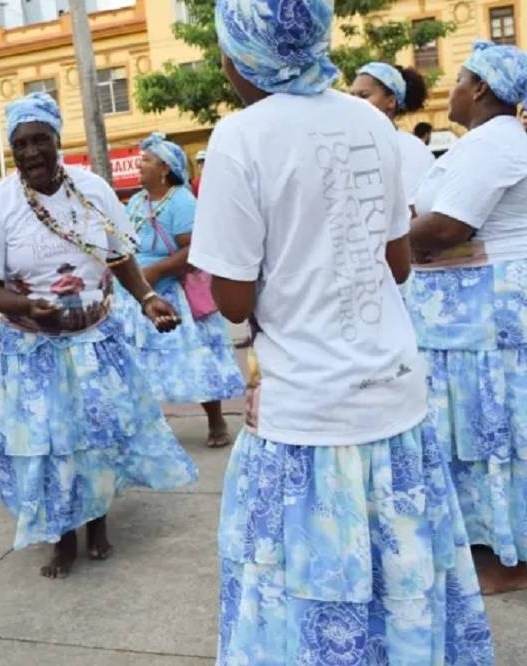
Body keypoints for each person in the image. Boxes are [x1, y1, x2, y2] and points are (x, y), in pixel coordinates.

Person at [193, 1, 494, 662]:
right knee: (402, 587)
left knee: (309, 607)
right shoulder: (370, 121)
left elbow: (233, 300)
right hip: (396, 401)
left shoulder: (240, 137)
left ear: (246, 55)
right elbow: (397, 265)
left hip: (308, 417)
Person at [0, 92, 198, 578]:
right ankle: (62, 538)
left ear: (58, 140)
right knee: (50, 444)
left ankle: (97, 524)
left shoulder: (92, 189)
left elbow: (119, 256)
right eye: (20, 144)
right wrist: (27, 307)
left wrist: (146, 298)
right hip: (33, 349)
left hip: (94, 341)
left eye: (40, 140)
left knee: (95, 438)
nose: (31, 152)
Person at [407, 40, 527, 596]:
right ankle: (490, 546)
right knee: (478, 431)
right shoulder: (479, 144)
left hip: (485, 315)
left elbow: (447, 227)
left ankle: (511, 560)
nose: (449, 90)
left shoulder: (494, 143)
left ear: (479, 87)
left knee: (494, 431)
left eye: (457, 78)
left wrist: (384, 239)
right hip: (464, 317)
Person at [112, 133, 244, 447]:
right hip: (139, 295)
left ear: (165, 168)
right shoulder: (136, 202)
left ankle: (216, 420)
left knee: (194, 360)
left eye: (146, 160)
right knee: (138, 364)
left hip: (174, 294)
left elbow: (194, 250)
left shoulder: (182, 201)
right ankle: (145, 427)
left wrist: (157, 271)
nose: (139, 165)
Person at [351, 62, 436, 209]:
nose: (354, 102)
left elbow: (413, 211)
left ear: (391, 101)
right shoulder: (346, 145)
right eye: (351, 96)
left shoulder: (411, 149)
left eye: (364, 96)